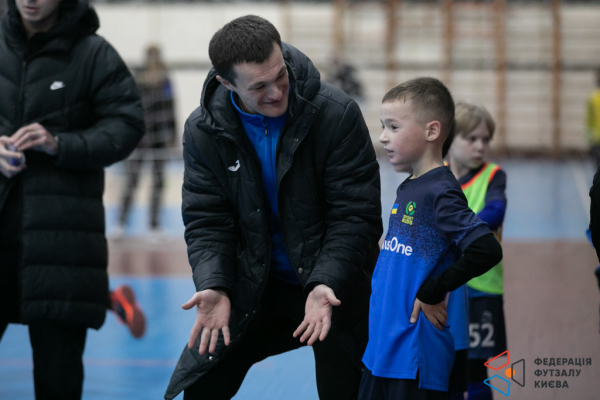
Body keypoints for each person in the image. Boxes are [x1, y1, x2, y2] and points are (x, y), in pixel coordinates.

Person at [164, 15, 382, 400]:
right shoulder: (204, 130)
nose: (277, 92)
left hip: (332, 284)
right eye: (259, 87)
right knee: (200, 386)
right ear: (227, 83)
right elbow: (208, 220)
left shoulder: (336, 114)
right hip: (257, 284)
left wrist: (325, 282)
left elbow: (355, 216)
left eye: (280, 76)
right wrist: (215, 284)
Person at [0, 0, 144, 398]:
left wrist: (60, 144)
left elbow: (128, 124)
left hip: (63, 248)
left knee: (58, 380)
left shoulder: (94, 54)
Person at [359, 77, 502, 400]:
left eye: (393, 127)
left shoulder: (440, 191)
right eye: (383, 126)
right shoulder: (411, 185)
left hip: (413, 357)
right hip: (382, 349)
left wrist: (434, 289)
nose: (383, 136)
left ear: (432, 131)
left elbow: (486, 248)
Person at [446, 101, 508, 400]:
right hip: (446, 289)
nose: (480, 146)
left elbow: (495, 210)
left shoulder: (493, 175)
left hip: (483, 289)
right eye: (471, 138)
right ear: (450, 138)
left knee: (482, 369)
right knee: (448, 366)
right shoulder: (437, 177)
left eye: (485, 139)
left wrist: (456, 233)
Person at [116, 44, 177, 237]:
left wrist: (173, 136)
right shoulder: (137, 77)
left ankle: (154, 226)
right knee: (131, 181)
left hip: (159, 139)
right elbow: (128, 107)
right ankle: (121, 223)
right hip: (139, 138)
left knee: (158, 183)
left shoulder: (165, 78)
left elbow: (171, 108)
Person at [586, 68, 600, 165]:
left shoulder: (593, 97)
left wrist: (588, 136)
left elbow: (588, 119)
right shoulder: (593, 98)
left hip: (596, 138)